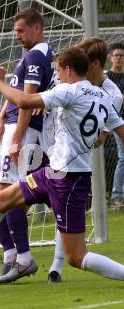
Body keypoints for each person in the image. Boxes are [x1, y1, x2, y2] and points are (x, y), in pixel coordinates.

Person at [0, 46, 124, 283]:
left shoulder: (69, 92)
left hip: (70, 181)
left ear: (69, 70)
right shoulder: (101, 96)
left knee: (77, 257)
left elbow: (23, 100)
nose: (56, 78)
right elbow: (120, 130)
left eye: (59, 72)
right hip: (52, 173)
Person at [0, 8, 54, 285]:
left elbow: (27, 102)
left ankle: (23, 258)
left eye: (20, 30)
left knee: (7, 192)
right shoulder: (33, 54)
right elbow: (17, 94)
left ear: (37, 28)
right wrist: (0, 115)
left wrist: (17, 136)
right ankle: (11, 255)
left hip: (23, 131)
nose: (16, 35)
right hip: (13, 128)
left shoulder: (36, 56)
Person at [47, 37, 124, 283]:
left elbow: (100, 138)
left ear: (93, 64)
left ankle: (55, 266)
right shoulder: (71, 83)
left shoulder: (112, 94)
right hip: (53, 153)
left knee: (52, 206)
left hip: (71, 167)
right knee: (10, 197)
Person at [107, 43, 124, 209]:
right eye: (116, 55)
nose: (119, 58)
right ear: (111, 57)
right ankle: (117, 195)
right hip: (115, 121)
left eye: (121, 55)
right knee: (122, 157)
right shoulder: (107, 78)